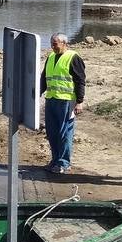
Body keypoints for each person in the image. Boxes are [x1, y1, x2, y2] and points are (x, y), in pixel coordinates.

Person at [40, 32, 85, 174]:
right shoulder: (51, 57)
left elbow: (80, 81)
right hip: (51, 99)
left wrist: (79, 101)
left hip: (66, 101)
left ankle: (64, 163)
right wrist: (38, 92)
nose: (53, 46)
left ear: (64, 43)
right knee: (52, 132)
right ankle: (55, 160)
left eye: (55, 44)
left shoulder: (73, 57)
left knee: (64, 133)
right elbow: (44, 77)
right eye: (51, 43)